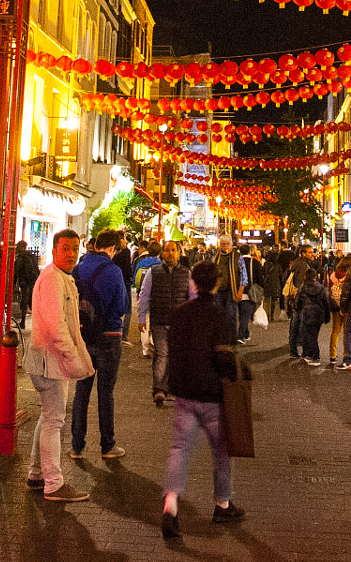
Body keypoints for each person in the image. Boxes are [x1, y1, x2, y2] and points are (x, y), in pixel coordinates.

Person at [159, 260, 245, 538]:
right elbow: (224, 356)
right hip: (211, 394)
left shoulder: (180, 313)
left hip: (184, 391)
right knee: (221, 450)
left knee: (180, 449)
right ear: (218, 282)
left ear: (193, 283)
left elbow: (172, 351)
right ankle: (222, 503)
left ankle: (170, 505)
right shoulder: (220, 316)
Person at [26, 229, 94, 501]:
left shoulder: (61, 277)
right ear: (53, 250)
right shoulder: (53, 279)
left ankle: (36, 473)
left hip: (48, 360)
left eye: (75, 248)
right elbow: (57, 326)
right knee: (55, 420)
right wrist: (71, 357)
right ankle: (54, 483)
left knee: (48, 416)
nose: (71, 253)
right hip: (50, 361)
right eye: (65, 248)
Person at [71, 229, 130, 461]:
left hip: (84, 337)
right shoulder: (114, 271)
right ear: (113, 248)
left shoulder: (78, 268)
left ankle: (77, 446)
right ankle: (107, 446)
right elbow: (122, 306)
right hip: (109, 337)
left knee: (81, 391)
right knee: (105, 393)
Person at [139, 240, 190, 405]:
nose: (170, 253)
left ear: (178, 252)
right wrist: (141, 318)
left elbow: (192, 298)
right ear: (162, 253)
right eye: (166, 251)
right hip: (159, 320)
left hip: (179, 322)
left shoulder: (186, 273)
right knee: (162, 353)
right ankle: (159, 389)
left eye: (173, 250)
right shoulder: (153, 272)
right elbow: (144, 295)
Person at [294, 266, 333, 365]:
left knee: (310, 335)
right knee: (313, 335)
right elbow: (326, 302)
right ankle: (308, 354)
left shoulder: (302, 288)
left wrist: (297, 309)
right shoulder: (320, 288)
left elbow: (297, 302)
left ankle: (315, 357)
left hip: (308, 314)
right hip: (319, 315)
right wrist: (327, 316)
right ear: (315, 277)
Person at [326, 255, 350, 366]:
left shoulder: (333, 275)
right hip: (346, 306)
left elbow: (329, 290)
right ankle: (346, 355)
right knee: (346, 332)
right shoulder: (349, 276)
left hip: (335, 306)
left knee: (335, 331)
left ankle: (332, 355)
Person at [12, 242, 39, 329]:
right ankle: (37, 323)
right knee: (32, 302)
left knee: (24, 301)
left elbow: (16, 272)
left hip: (24, 283)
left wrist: (13, 284)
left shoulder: (21, 258)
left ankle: (23, 322)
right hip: (33, 282)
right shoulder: (32, 256)